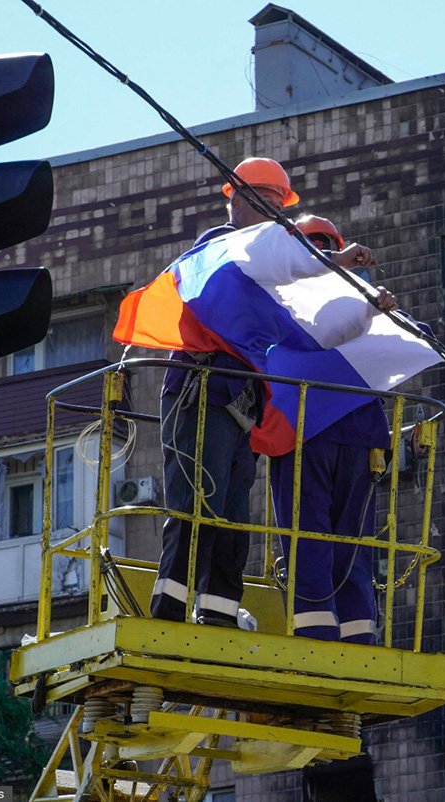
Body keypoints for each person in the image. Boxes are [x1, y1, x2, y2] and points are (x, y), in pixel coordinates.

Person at [150, 158, 374, 628]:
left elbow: (300, 303)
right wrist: (335, 260)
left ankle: (218, 613)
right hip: (202, 387)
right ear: (234, 198)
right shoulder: (216, 247)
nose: (274, 215)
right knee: (198, 500)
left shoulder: (270, 257)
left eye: (279, 207)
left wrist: (364, 300)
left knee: (233, 512)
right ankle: (169, 610)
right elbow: (254, 271)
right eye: (265, 203)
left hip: (241, 395)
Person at [270, 217, 409, 646]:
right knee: (348, 536)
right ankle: (355, 630)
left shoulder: (283, 299)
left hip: (310, 431)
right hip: (354, 433)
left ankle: (320, 629)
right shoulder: (359, 302)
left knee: (311, 533)